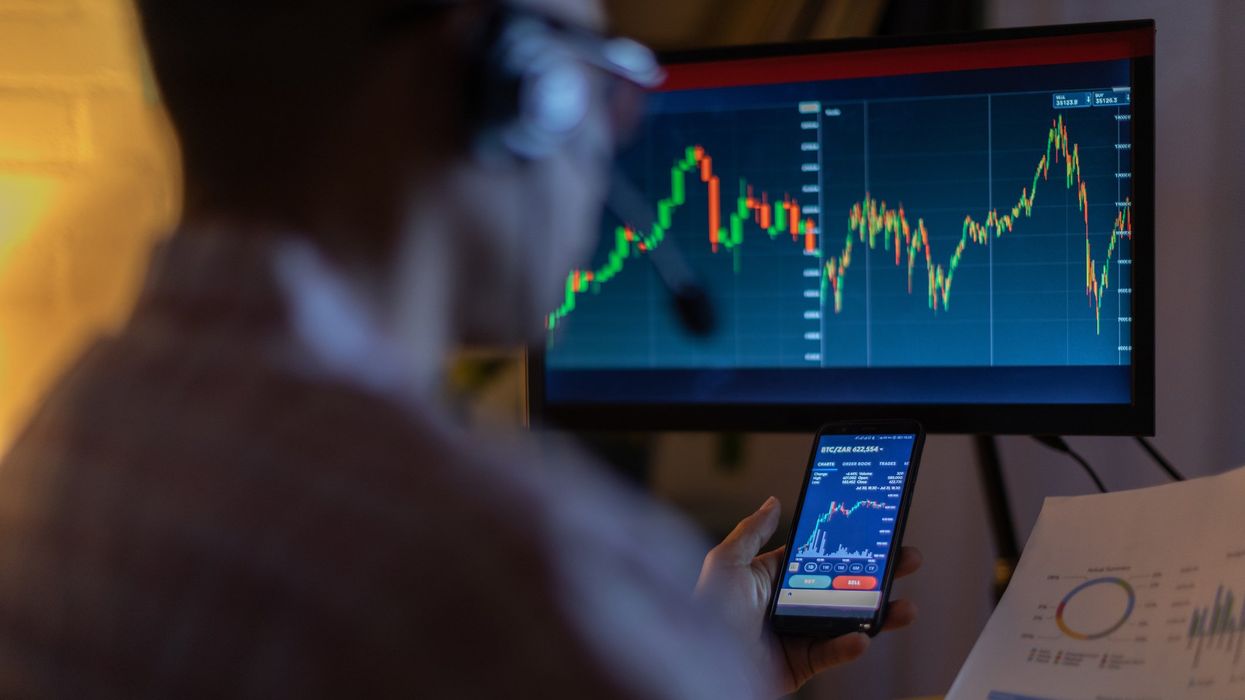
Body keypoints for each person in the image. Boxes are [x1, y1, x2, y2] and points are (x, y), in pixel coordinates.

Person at [0, 0, 920, 696]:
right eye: (591, 71)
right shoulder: (515, 575)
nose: (622, 125)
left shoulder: (61, 450)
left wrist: (702, 646)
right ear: (507, 86)